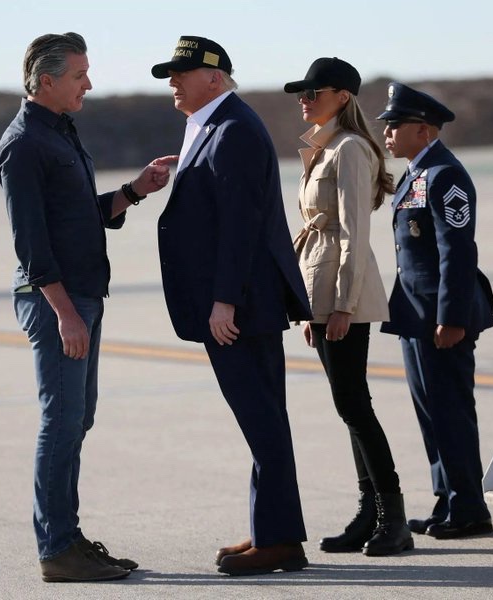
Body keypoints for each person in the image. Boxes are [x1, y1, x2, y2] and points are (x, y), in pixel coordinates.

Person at [0, 32, 175, 583]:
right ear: (46, 81)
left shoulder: (60, 132)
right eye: (79, 76)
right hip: (58, 303)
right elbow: (31, 242)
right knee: (62, 421)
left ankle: (67, 538)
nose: (88, 84)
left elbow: (76, 214)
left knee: (77, 420)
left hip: (81, 298)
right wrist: (66, 313)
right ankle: (57, 549)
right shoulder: (23, 144)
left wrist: (134, 191)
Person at [151, 36, 313, 576]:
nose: (173, 81)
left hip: (242, 306)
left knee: (262, 420)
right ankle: (275, 533)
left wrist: (224, 302)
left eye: (182, 72)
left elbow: (241, 229)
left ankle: (280, 541)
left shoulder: (235, 130)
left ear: (214, 78)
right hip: (240, 302)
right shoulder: (217, 126)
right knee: (261, 419)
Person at [283, 57, 412, 556]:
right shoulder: (323, 148)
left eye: (314, 91)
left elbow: (356, 234)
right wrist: (308, 307)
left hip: (343, 293)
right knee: (349, 405)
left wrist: (341, 306)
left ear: (342, 96)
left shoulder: (352, 149)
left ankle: (391, 518)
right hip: (322, 291)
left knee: (354, 404)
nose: (305, 98)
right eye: (302, 92)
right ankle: (370, 513)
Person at [376, 82, 493, 541]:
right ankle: (447, 499)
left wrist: (452, 318)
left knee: (451, 412)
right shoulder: (416, 172)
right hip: (414, 312)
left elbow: (457, 251)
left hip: (441, 316)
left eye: (394, 126)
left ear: (423, 129)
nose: (387, 134)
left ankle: (469, 507)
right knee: (430, 413)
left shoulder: (445, 174)